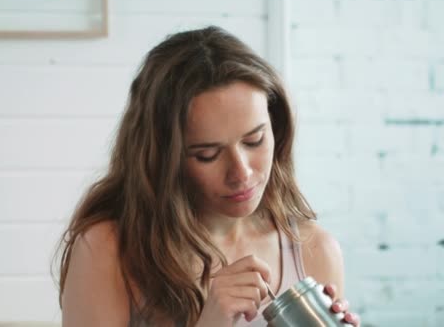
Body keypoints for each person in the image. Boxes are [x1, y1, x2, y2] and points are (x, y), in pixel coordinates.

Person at [56, 25, 361, 327]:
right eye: (207, 155)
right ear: (164, 158)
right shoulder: (108, 251)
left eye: (254, 141)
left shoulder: (314, 250)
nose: (241, 173)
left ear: (276, 127)